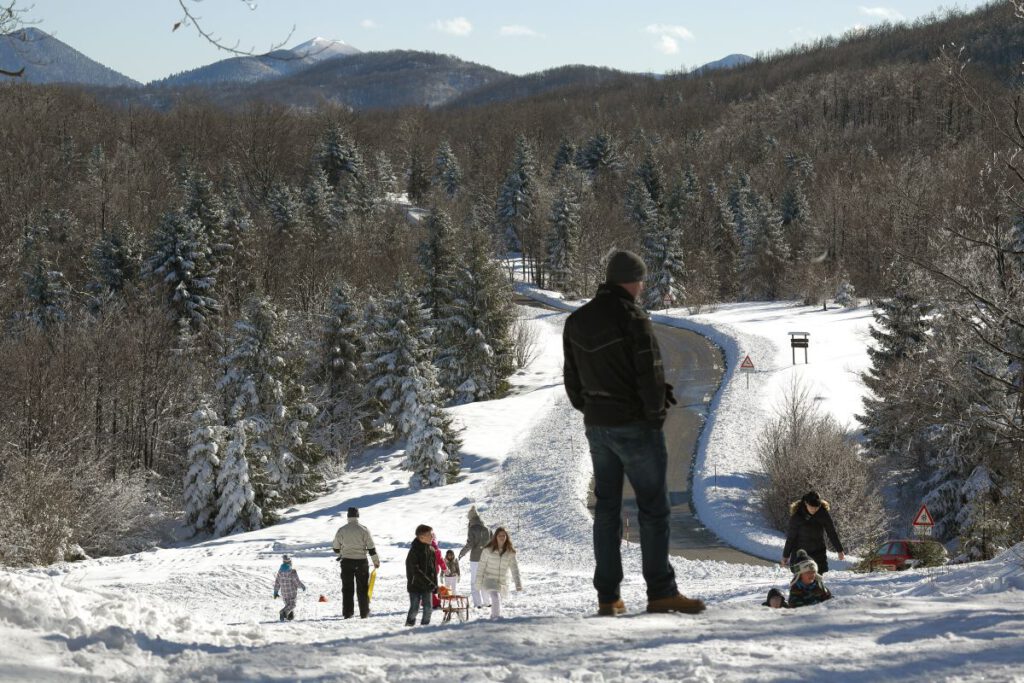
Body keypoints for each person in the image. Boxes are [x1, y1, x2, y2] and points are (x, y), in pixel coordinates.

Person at [563, 249, 705, 617]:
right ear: (631, 280)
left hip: (598, 426)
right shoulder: (633, 317)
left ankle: (608, 597)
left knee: (607, 511)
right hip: (636, 427)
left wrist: (598, 410)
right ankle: (661, 592)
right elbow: (650, 374)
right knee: (653, 509)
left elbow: (573, 385)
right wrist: (653, 416)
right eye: (640, 280)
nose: (643, 287)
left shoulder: (576, 321)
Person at [332, 506, 380, 619]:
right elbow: (371, 548)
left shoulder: (342, 530)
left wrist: (340, 555)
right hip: (361, 562)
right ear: (357, 516)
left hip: (346, 562)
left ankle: (348, 613)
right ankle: (364, 612)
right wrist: (376, 561)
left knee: (347, 588)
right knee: (363, 588)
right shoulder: (364, 529)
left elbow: (335, 547)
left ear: (348, 516)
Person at [781, 491, 845, 574]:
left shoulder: (823, 514)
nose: (814, 509)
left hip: (818, 552)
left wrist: (839, 550)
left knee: (818, 576)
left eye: (816, 507)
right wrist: (786, 555)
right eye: (812, 507)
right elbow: (791, 538)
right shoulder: (797, 516)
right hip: (800, 553)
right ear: (806, 503)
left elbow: (831, 532)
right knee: (801, 578)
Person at [474, 527, 522, 619]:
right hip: (489, 579)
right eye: (500, 535)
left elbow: (514, 569)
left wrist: (518, 584)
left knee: (497, 599)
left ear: (507, 537)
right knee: (495, 598)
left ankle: (494, 617)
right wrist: (478, 583)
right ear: (495, 537)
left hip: (501, 582)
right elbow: (481, 567)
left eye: (504, 535)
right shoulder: (487, 550)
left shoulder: (510, 552)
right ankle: (495, 619)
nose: (502, 537)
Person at [458, 505, 493, 609]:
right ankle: (487, 602)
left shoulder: (472, 529)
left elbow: (470, 544)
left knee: (474, 581)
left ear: (471, 519)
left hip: (475, 559)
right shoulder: (487, 528)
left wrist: (462, 553)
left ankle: (478, 603)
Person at [405, 524, 438, 626]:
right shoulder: (413, 551)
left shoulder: (432, 550)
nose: (432, 536)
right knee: (414, 609)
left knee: (428, 609)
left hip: (427, 586)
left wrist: (435, 585)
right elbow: (415, 571)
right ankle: (409, 626)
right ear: (421, 537)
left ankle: (424, 630)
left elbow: (433, 570)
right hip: (415, 585)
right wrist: (430, 584)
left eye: (432, 534)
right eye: (430, 534)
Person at [272, 554, 307, 622]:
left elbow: (277, 582)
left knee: (288, 605)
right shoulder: (292, 572)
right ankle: (282, 612)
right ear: (290, 562)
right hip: (291, 592)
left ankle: (289, 617)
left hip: (284, 593)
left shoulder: (280, 571)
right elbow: (297, 582)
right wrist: (302, 586)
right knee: (292, 605)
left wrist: (275, 592)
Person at [431, 532, 447, 608]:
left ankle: (433, 602)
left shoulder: (423, 547)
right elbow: (440, 560)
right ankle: (434, 603)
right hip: (434, 571)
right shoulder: (435, 548)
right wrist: (444, 568)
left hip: (427, 571)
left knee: (428, 587)